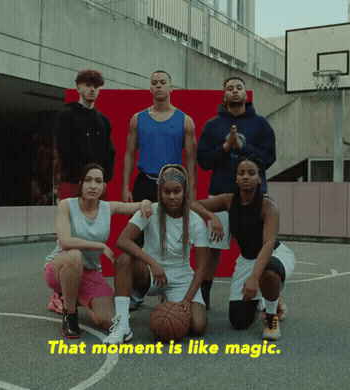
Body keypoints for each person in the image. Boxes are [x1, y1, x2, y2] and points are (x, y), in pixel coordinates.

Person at [191, 155, 294, 340]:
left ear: (259, 178)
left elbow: (268, 245)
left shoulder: (268, 206)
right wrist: (212, 217)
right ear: (236, 178)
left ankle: (271, 315)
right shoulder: (229, 201)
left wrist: (254, 279)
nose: (246, 177)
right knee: (238, 321)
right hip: (247, 260)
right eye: (241, 173)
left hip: (274, 255)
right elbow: (192, 204)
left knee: (268, 272)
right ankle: (266, 301)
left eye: (251, 173)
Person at [44, 163, 152, 339]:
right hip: (60, 267)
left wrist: (146, 202)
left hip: (90, 273)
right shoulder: (67, 205)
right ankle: (70, 314)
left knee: (108, 320)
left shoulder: (107, 208)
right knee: (74, 255)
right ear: (80, 184)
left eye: (98, 181)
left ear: (104, 187)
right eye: (88, 180)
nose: (93, 185)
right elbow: (65, 241)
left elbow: (137, 206)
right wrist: (101, 246)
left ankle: (70, 298)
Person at [104, 164, 209, 344]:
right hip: (151, 272)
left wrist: (186, 299)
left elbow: (202, 267)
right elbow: (122, 240)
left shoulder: (195, 220)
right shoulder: (150, 210)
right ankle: (123, 325)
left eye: (177, 191)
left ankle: (168, 301)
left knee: (197, 327)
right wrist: (153, 262)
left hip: (181, 276)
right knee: (124, 260)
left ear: (184, 191)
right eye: (166, 192)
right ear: (160, 192)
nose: (172, 196)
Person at [196, 77, 276, 309]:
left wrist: (243, 149)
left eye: (238, 88)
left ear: (245, 94)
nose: (234, 91)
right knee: (213, 249)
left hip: (252, 200)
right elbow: (203, 161)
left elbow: (269, 158)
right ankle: (204, 298)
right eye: (229, 88)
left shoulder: (260, 124)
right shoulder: (212, 125)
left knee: (258, 247)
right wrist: (224, 149)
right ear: (224, 96)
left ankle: (264, 296)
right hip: (221, 195)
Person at [122, 70, 197, 203]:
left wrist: (191, 192)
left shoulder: (185, 121)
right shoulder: (137, 119)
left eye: (163, 83)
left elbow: (191, 160)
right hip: (144, 184)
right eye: (154, 83)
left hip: (173, 183)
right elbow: (129, 154)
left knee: (170, 224)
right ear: (150, 89)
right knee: (141, 224)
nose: (158, 86)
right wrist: (124, 188)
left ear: (171, 88)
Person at [56, 69, 116, 200]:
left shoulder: (104, 121)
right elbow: (65, 151)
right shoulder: (67, 115)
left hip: (98, 184)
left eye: (95, 86)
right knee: (71, 219)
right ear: (78, 87)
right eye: (88, 85)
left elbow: (110, 153)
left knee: (98, 219)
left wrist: (102, 179)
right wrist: (85, 177)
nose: (92, 90)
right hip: (74, 182)